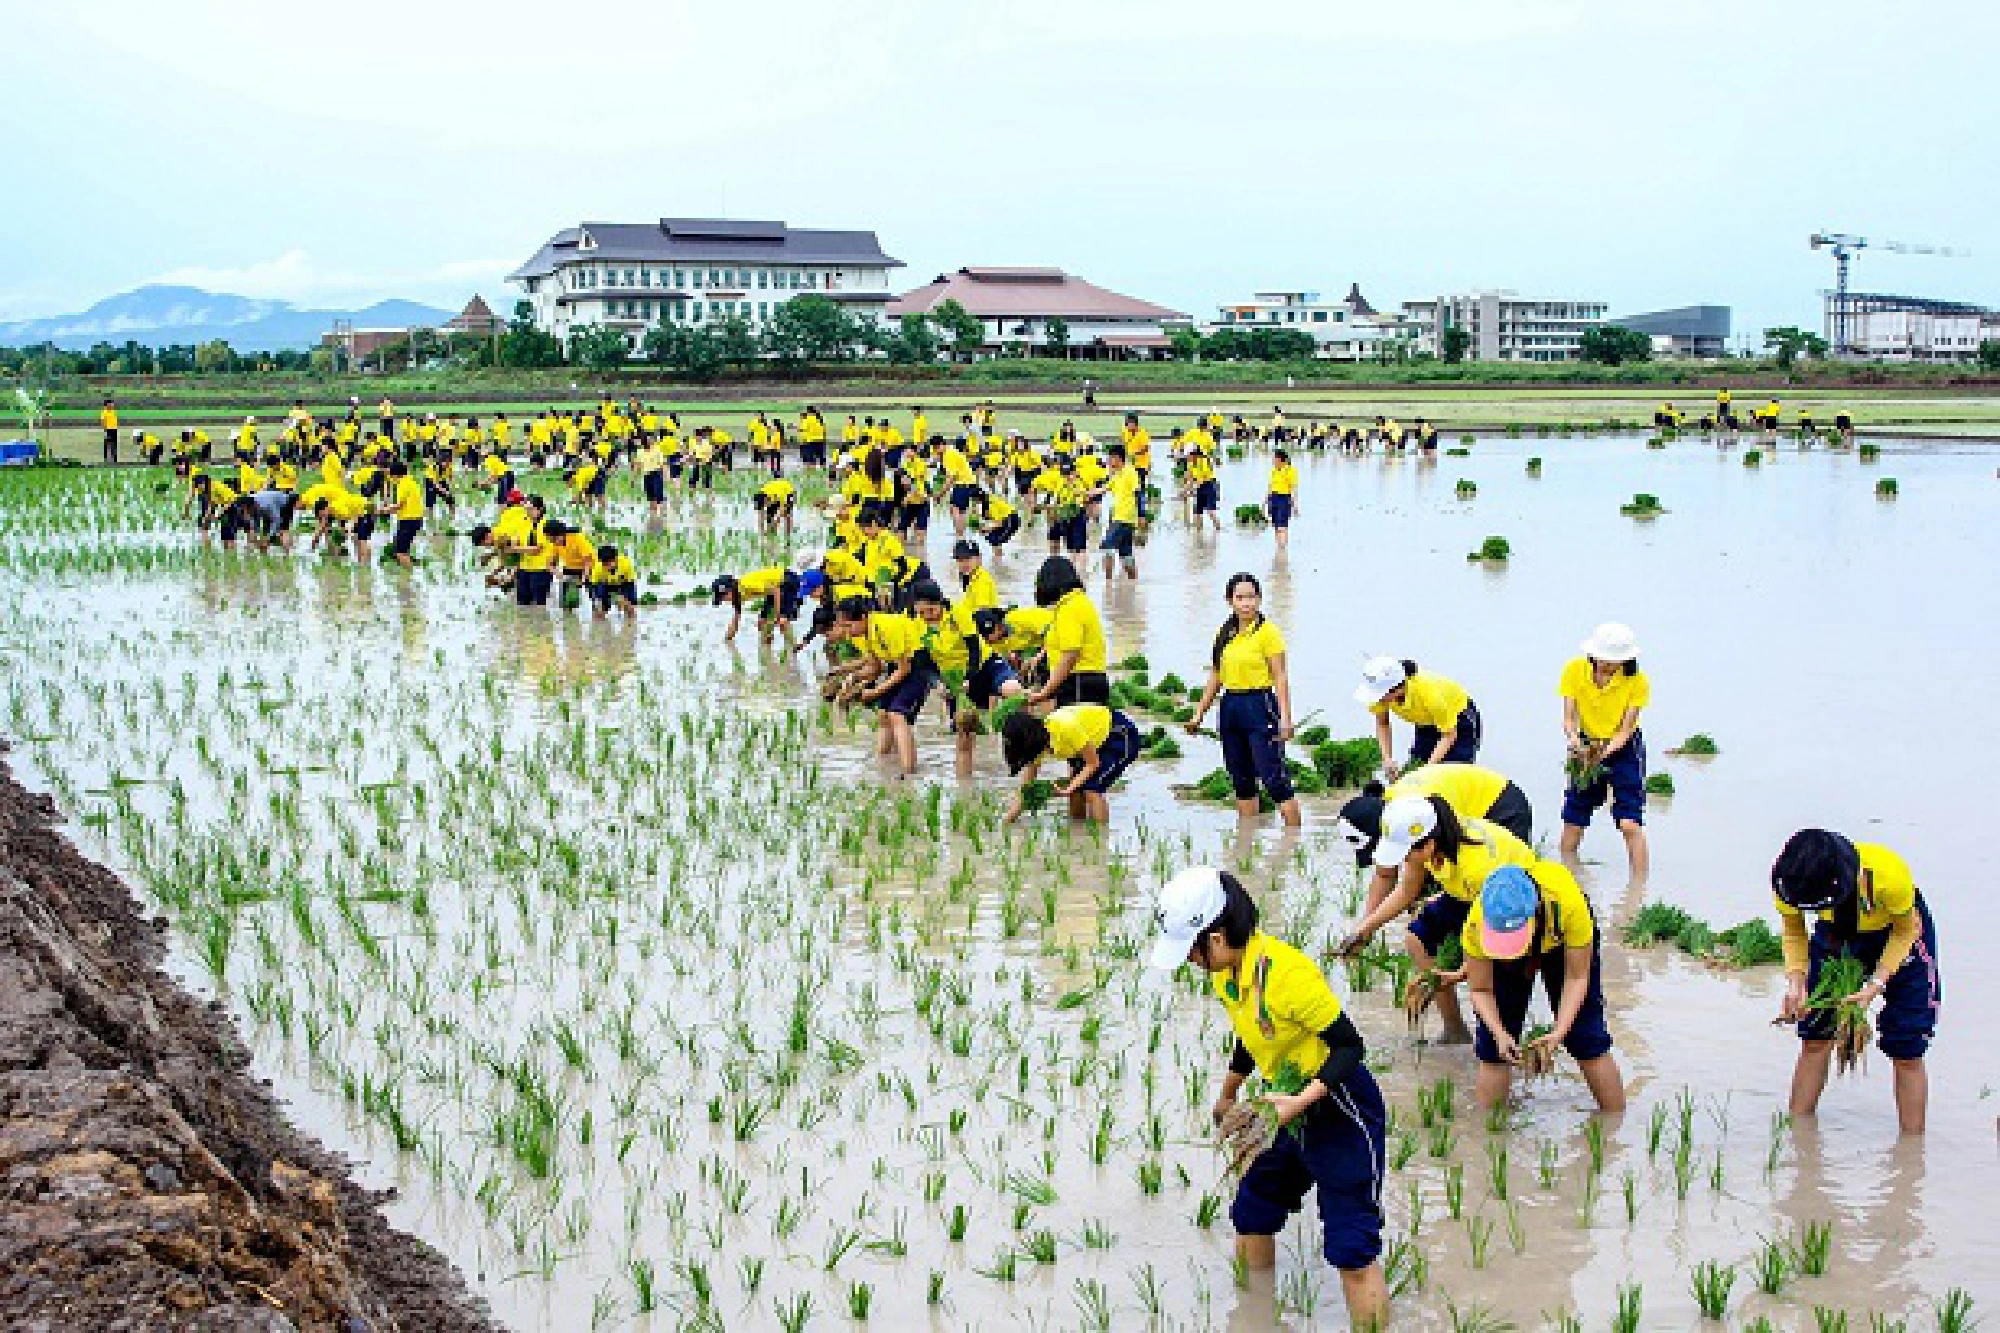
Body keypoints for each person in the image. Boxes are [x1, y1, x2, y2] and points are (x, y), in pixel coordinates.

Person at [1146, 867, 1389, 1330]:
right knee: (1252, 1210)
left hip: (1339, 1107)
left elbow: (1350, 1047)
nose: (1192, 963)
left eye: (1192, 952)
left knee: (1352, 1250)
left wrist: (1300, 1103)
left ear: (1216, 938)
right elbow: (1252, 1036)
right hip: (1283, 1104)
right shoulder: (1227, 975)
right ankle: (1254, 1316)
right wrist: (1227, 1096)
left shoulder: (1286, 973)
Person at [1771, 830, 1941, 1134]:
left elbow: (1906, 931)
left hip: (1902, 933)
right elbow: (1794, 931)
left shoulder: (1888, 874)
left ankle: (1912, 1152)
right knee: (1815, 1035)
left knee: (1908, 1048)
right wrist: (1796, 982)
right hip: (1837, 934)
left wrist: (1875, 984)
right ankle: (1798, 1142)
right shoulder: (1791, 879)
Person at [1461, 864, 1626, 1112]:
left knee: (1586, 1037)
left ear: (1535, 912)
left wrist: (1559, 1032)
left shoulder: (1567, 903)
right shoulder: (1477, 925)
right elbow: (1481, 990)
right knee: (1494, 1050)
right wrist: (1499, 1033)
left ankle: (1614, 1126)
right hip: (1511, 938)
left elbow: (1577, 978)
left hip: (1561, 941)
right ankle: (1489, 1136)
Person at [1186, 573, 1300, 826]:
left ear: (1259, 599)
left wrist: (1286, 719)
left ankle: (1293, 842)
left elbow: (1281, 677)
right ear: (1230, 601)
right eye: (1240, 598)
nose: (1246, 603)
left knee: (1274, 779)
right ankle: (1247, 841)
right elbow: (1216, 675)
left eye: (1251, 597)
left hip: (1260, 704)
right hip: (1230, 707)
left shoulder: (1268, 632)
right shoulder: (1225, 632)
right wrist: (1198, 713)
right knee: (1241, 779)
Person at [1558, 622, 1652, 890]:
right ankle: (1571, 881)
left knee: (1629, 823)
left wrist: (1604, 753)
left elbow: (1625, 730)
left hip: (1624, 750)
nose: (1608, 667)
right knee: (1573, 819)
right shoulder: (1574, 671)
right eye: (1604, 660)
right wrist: (1576, 743)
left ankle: (1638, 891)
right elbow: (1568, 718)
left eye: (1615, 662)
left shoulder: (1637, 681)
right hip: (1586, 745)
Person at [1000, 702, 1141, 825]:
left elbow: (1093, 763)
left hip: (1119, 735)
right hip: (1092, 742)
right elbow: (1026, 788)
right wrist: (1007, 821)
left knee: (1091, 790)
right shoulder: (1037, 746)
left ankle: (1099, 842)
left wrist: (1067, 789)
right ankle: (1078, 833)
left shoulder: (1064, 728)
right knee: (1076, 791)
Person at [1355, 656, 1481, 778]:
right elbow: (1383, 723)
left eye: (1380, 695)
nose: (1378, 700)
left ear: (1397, 688)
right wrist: (1387, 759)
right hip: (1425, 724)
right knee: (1415, 771)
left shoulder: (1428, 693)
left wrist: (1427, 771)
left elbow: (1449, 734)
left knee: (1452, 774)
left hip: (1459, 720)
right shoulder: (1379, 698)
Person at [1024, 557, 1108, 707]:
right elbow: (1063, 641)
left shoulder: (1069, 608)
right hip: (1090, 680)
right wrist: (1041, 656)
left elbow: (1070, 656)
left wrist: (1045, 692)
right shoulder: (1079, 602)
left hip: (1079, 683)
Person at [1097, 444, 1141, 581]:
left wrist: (1142, 515)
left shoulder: (1130, 472)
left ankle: (1108, 585)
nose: (1109, 461)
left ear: (1117, 458)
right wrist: (1083, 493)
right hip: (1121, 519)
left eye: (1111, 458)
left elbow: (1139, 493)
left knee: (1107, 546)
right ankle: (1135, 583)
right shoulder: (1117, 475)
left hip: (1124, 518)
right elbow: (1102, 489)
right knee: (1126, 555)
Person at [588, 544, 640, 620]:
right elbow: (593, 588)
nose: (607, 566)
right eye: (604, 564)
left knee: (630, 609)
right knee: (600, 611)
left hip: (623, 583)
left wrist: (625, 601)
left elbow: (631, 584)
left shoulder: (626, 564)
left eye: (610, 562)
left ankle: (631, 626)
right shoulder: (597, 569)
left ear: (616, 559)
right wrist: (597, 603)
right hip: (606, 584)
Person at [1266, 449, 1298, 551]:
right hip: (1273, 498)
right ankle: (1279, 547)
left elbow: (1293, 488)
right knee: (1276, 525)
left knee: (1282, 526)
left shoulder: (1291, 471)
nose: (1272, 461)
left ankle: (1283, 549)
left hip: (1284, 499)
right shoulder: (1273, 471)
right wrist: (1265, 501)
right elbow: (1270, 486)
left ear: (1280, 460)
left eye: (1274, 458)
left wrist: (1295, 504)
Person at [99, 398, 119, 465]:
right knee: (107, 444)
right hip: (108, 430)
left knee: (114, 444)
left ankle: (115, 459)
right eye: (111, 404)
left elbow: (115, 421)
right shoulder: (104, 412)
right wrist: (105, 431)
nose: (112, 405)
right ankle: (106, 458)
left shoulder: (113, 412)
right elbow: (102, 422)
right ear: (107, 405)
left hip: (114, 429)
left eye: (112, 404)